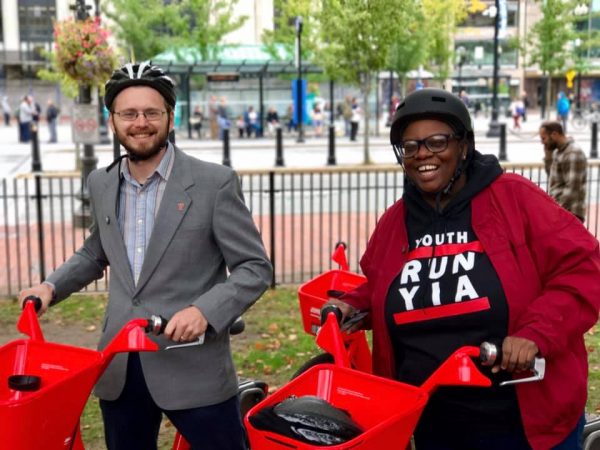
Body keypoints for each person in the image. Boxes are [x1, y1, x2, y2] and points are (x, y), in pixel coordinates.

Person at [324, 88, 600, 450]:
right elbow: (385, 284)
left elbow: (584, 267)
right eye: (410, 146)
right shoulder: (395, 222)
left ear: (464, 146)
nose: (423, 154)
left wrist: (535, 333)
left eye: (437, 142)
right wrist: (354, 305)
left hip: (522, 421)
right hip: (434, 421)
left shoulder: (514, 198)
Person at [18, 61, 273, 450]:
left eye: (152, 112)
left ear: (171, 118)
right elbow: (96, 250)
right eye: (129, 113)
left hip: (193, 366)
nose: (141, 122)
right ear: (113, 122)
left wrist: (205, 310)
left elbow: (254, 267)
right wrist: (52, 285)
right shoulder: (101, 182)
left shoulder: (213, 183)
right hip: (120, 366)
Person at [539, 120, 587, 222]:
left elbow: (573, 188)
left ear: (554, 134)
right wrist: (548, 156)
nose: (542, 142)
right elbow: (552, 177)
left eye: (544, 138)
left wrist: (556, 210)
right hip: (563, 211)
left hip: (570, 213)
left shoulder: (572, 153)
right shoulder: (559, 152)